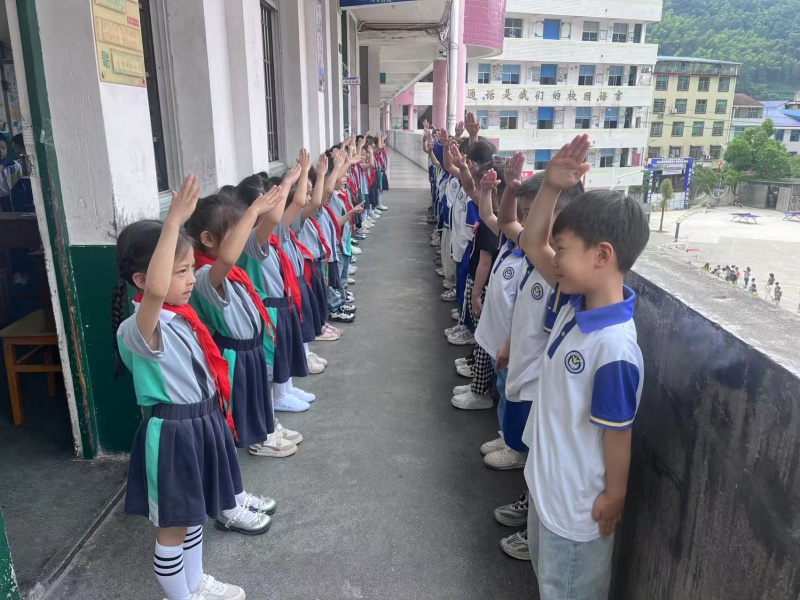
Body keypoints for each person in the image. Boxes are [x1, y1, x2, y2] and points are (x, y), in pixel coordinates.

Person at [110, 176, 268, 600]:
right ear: (143, 280)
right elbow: (157, 291)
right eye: (180, 271)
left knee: (193, 515)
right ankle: (180, 595)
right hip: (174, 434)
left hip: (201, 423)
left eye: (188, 268)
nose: (189, 278)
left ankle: (195, 584)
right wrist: (172, 224)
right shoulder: (141, 327)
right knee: (173, 527)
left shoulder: (181, 315)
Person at [520, 135, 649, 598]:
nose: (554, 259)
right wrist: (551, 187)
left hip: (576, 513)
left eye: (563, 249)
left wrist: (615, 496)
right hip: (546, 492)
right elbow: (531, 241)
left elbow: (617, 433)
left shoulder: (613, 346)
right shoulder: (574, 304)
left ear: (602, 255)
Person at [185, 189, 301, 462]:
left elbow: (265, 228)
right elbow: (226, 257)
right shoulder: (204, 275)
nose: (244, 239)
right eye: (237, 233)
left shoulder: (232, 271)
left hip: (250, 346)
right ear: (208, 239)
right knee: (243, 398)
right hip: (233, 350)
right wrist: (252, 212)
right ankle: (257, 438)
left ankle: (265, 427)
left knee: (258, 391)